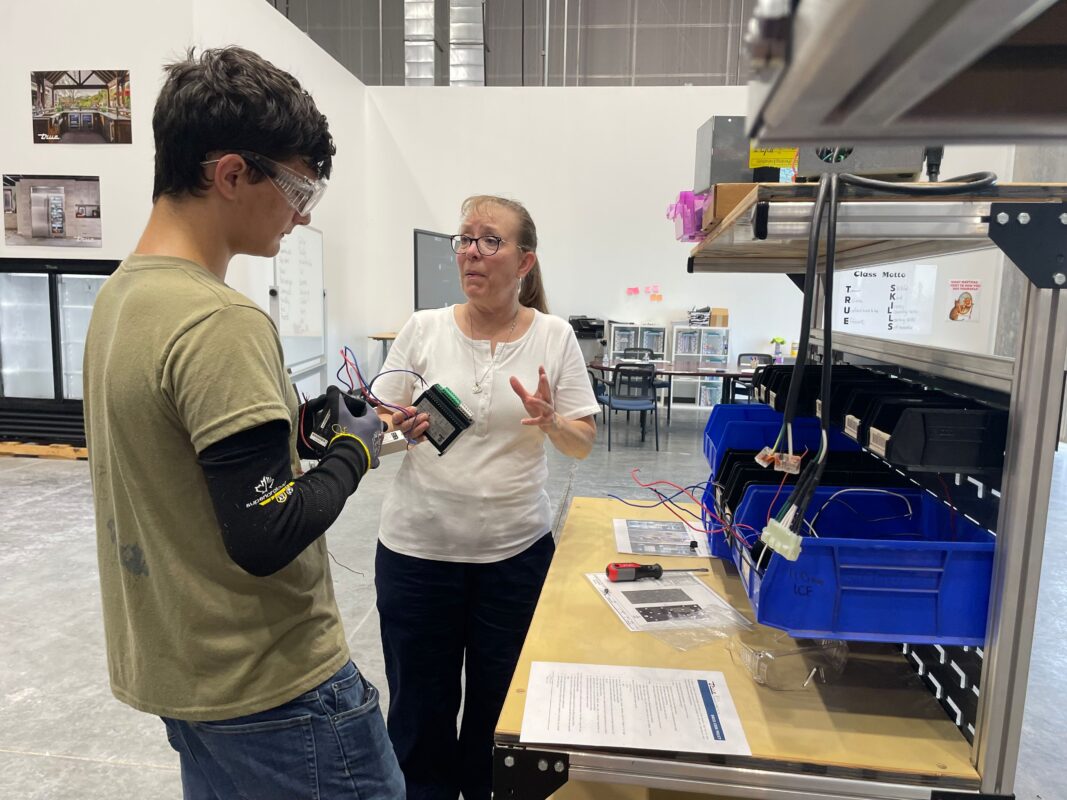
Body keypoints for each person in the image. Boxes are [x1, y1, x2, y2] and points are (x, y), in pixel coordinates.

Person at [82, 46, 425, 799]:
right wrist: (353, 451)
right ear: (231, 173)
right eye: (297, 187)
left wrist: (297, 428)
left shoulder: (120, 300)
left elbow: (188, 458)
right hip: (274, 689)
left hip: (189, 675)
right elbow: (263, 532)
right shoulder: (219, 320)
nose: (302, 215)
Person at [372, 195, 599, 799]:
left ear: (524, 262)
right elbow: (379, 425)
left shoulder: (554, 337)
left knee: (499, 714)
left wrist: (552, 421)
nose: (473, 251)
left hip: (514, 558)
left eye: (490, 241)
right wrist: (398, 426)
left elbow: (581, 442)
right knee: (419, 712)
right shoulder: (422, 328)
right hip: (417, 555)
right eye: (465, 238)